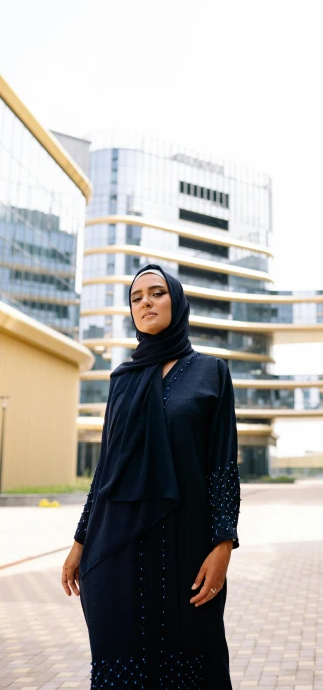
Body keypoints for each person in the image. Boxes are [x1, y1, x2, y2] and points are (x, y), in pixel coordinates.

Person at [62, 263, 241, 689]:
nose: (146, 302)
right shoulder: (121, 381)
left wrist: (224, 545)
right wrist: (79, 542)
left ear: (177, 302)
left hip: (185, 546)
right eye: (137, 297)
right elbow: (105, 470)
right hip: (116, 548)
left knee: (195, 660)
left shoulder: (211, 372)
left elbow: (222, 467)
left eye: (157, 293)